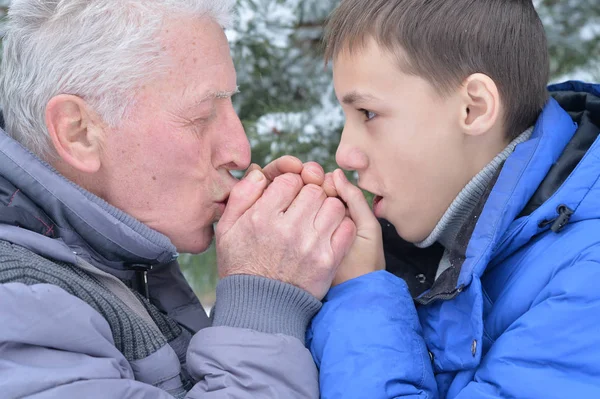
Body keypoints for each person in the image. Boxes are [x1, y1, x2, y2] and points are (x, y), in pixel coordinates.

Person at [0, 1, 357, 398]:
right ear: (79, 132)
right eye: (202, 117)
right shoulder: (16, 306)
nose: (240, 150)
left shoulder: (106, 265)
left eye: (231, 107)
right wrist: (264, 301)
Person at [307, 0, 600, 398]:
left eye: (367, 113)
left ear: (473, 107)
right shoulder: (435, 239)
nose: (345, 154)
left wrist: (361, 293)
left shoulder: (587, 279)